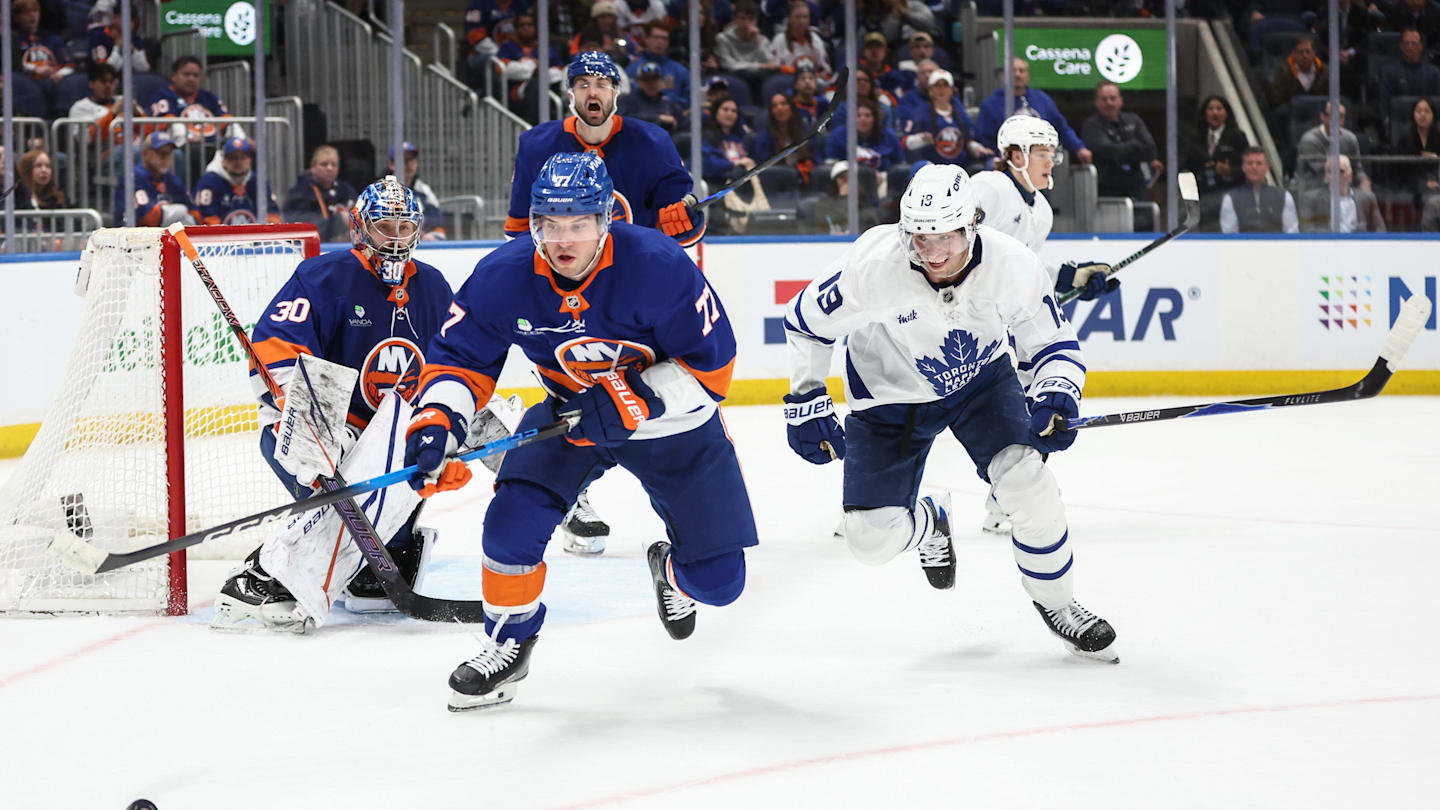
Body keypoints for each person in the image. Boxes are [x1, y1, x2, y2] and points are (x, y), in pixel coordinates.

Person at [405, 153, 758, 709]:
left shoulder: (659, 265)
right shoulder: (504, 276)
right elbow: (459, 360)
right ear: (534, 224)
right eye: (549, 225)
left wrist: (637, 397)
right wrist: (437, 420)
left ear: (606, 219)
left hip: (676, 425)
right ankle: (508, 642)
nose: (563, 240)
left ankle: (668, 569)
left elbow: (713, 368)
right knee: (509, 523)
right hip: (572, 415)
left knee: (720, 584)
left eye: (578, 224)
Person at [781, 163, 1118, 663]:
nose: (934, 252)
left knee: (1029, 487)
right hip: (887, 396)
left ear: (972, 225)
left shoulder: (1012, 264)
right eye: (920, 238)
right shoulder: (874, 264)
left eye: (947, 237)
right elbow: (804, 319)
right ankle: (929, 522)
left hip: (980, 382)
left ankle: (1060, 605)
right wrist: (806, 399)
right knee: (869, 541)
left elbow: (1050, 341)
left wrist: (1056, 391)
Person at [213, 177, 521, 632]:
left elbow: (455, 362)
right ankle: (261, 576)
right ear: (360, 228)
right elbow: (277, 344)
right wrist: (310, 418)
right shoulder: (324, 277)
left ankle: (369, 571)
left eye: (405, 227)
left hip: (392, 439)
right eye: (384, 227)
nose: (396, 239)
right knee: (345, 487)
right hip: (327, 433)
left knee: (434, 461)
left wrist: (471, 431)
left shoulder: (432, 286)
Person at [505, 50, 706, 555]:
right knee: (570, 395)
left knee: (661, 400)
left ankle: (690, 509)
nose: (592, 92)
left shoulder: (651, 142)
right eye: (582, 84)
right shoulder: (537, 145)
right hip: (565, 292)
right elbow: (517, 232)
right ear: (569, 94)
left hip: (635, 297)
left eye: (602, 83)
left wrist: (687, 220)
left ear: (616, 93)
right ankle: (572, 496)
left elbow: (684, 219)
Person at [967, 115, 1117, 535]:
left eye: (1053, 152)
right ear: (1015, 155)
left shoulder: (1042, 211)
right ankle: (877, 500)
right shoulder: (988, 188)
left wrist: (1072, 278)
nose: (1051, 161)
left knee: (1031, 405)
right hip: (956, 325)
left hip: (1000, 332)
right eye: (1041, 153)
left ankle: (1004, 501)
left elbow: (1023, 272)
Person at [976, 59, 1092, 164]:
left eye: (1021, 71)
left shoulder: (1042, 99)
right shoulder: (990, 104)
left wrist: (1079, 148)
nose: (1017, 74)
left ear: (1028, 76)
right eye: (1012, 71)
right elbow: (985, 139)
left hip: (1039, 162)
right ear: (1004, 76)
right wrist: (994, 159)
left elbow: (1061, 128)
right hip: (1005, 163)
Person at [1081, 81, 1162, 204]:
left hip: (1137, 188)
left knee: (1145, 221)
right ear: (1097, 102)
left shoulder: (1133, 119)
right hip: (1107, 190)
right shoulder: (1091, 125)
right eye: (1104, 99)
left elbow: (1150, 150)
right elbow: (1108, 151)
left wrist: (1124, 150)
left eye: (1113, 98)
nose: (1109, 103)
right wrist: (1134, 145)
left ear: (1120, 100)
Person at [900, 69, 992, 170]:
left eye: (945, 85)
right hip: (931, 169)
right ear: (930, 90)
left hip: (961, 169)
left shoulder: (961, 113)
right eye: (937, 85)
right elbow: (905, 143)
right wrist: (922, 139)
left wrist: (977, 148)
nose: (941, 89)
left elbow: (968, 140)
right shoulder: (920, 112)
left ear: (952, 90)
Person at [1183, 95, 1250, 229]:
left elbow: (1247, 168)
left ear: (1226, 113)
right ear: (1204, 113)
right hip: (1204, 196)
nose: (1215, 112)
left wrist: (1229, 171)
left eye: (1219, 109)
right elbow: (1187, 166)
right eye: (1211, 109)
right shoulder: (1196, 138)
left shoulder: (1238, 136)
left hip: (1230, 196)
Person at [148, 56, 241, 151]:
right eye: (186, 74)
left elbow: (225, 120)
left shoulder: (208, 97)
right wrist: (191, 138)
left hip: (212, 144)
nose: (191, 79)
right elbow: (166, 123)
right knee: (176, 125)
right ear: (174, 76)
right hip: (176, 147)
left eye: (196, 75)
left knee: (233, 125)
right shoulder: (164, 95)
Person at [113, 131, 199, 227]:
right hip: (132, 237)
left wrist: (167, 213)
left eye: (169, 153)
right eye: (161, 153)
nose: (166, 158)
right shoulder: (132, 179)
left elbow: (196, 216)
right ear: (145, 154)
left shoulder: (172, 179)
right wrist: (182, 210)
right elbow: (149, 218)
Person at [193, 137, 281, 225]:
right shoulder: (210, 181)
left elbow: (272, 213)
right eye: (233, 158)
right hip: (218, 237)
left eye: (243, 157)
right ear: (224, 160)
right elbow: (206, 217)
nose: (238, 162)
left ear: (250, 160)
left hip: (255, 236)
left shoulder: (258, 181)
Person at [283, 145, 359, 241]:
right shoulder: (300, 192)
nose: (329, 168)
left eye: (334, 165)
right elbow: (298, 225)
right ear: (313, 167)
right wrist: (338, 220)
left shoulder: (346, 189)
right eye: (324, 164)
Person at [1294, 101, 1369, 195]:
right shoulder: (1309, 140)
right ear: (1322, 117)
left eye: (1341, 116)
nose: (1338, 120)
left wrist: (1364, 181)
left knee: (1367, 195)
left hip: (1342, 185)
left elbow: (1357, 168)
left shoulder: (1350, 138)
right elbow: (1325, 171)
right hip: (1312, 188)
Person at [1220, 146, 1299, 233]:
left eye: (1259, 163)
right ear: (1243, 167)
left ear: (1267, 167)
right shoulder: (1230, 198)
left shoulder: (1284, 196)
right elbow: (1229, 236)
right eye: (1249, 163)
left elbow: (1292, 233)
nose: (1254, 167)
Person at [1299, 155, 1386, 232]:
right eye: (1330, 171)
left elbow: (1380, 230)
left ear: (1350, 176)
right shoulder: (1311, 199)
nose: (1335, 175)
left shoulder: (1367, 198)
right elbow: (1306, 230)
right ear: (1326, 176)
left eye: (1340, 171)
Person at [823, 97, 904, 175]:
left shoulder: (889, 136)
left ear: (875, 119)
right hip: (847, 181)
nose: (863, 119)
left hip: (883, 180)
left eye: (867, 115)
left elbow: (899, 166)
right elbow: (832, 168)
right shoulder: (836, 137)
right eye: (858, 115)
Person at [385, 142, 447, 240]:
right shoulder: (381, 191)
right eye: (403, 161)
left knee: (438, 235)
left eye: (411, 160)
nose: (409, 164)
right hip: (391, 243)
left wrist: (415, 224)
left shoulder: (423, 189)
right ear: (391, 164)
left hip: (420, 241)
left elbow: (437, 217)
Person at [716, 0, 780, 91]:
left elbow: (771, 64)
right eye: (742, 18)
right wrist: (759, 66)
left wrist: (757, 44)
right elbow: (729, 65)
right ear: (734, 19)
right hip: (735, 79)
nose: (746, 23)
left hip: (760, 80)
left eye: (750, 19)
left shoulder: (762, 40)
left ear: (756, 21)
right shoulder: (723, 38)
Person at [1376, 31, 1440, 119]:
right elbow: (1384, 104)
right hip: (1398, 123)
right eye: (1406, 43)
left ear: (1420, 47)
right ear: (1401, 46)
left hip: (1427, 122)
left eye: (1414, 43)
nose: (1410, 47)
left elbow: (1437, 104)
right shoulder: (1388, 72)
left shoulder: (1434, 73)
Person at [754, 92, 814, 183]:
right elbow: (764, 167)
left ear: (791, 108)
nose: (779, 108)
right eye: (774, 106)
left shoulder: (804, 133)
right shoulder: (764, 137)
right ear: (771, 112)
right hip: (777, 181)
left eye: (783, 104)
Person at [627, 22, 690, 104]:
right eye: (656, 37)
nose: (660, 41)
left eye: (664, 39)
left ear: (668, 42)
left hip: (671, 114)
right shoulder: (633, 69)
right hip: (639, 114)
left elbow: (689, 100)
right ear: (646, 39)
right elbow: (628, 98)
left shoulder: (679, 70)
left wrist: (668, 100)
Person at [13, 0, 73, 86]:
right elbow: (14, 66)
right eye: (27, 12)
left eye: (35, 11)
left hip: (54, 83)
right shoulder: (13, 40)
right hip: (26, 84)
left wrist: (60, 74)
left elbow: (69, 65)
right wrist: (35, 70)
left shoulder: (53, 39)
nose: (32, 15)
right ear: (17, 18)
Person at [812, 159, 881, 233]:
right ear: (834, 182)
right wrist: (843, 198)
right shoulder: (823, 203)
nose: (847, 182)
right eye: (842, 178)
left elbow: (872, 224)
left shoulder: (864, 202)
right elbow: (838, 221)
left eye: (850, 178)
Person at [701, 96, 755, 188]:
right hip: (717, 186)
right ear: (716, 112)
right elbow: (708, 165)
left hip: (741, 186)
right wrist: (736, 163)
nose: (730, 114)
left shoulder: (740, 139)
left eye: (734, 111)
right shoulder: (706, 136)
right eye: (725, 109)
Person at [1397, 96, 1440, 206]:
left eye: (1427, 111)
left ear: (1433, 115)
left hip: (1436, 181)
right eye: (1419, 111)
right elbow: (1400, 171)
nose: (1422, 114)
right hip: (1412, 184)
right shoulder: (1404, 140)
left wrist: (1436, 159)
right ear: (1413, 115)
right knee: (1431, 197)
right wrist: (1425, 183)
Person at [1266, 36, 1328, 111]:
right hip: (1292, 112)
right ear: (1294, 53)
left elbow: (1329, 97)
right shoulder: (1284, 70)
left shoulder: (1325, 71)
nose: (1304, 55)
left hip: (1319, 111)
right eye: (1300, 52)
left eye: (1308, 51)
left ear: (1314, 53)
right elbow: (1277, 99)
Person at [771, 0, 831, 76]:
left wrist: (819, 75)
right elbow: (774, 68)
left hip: (812, 82)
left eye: (805, 17)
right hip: (787, 82)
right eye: (797, 17)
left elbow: (826, 69)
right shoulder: (779, 40)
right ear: (789, 19)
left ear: (809, 19)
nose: (801, 21)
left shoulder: (815, 39)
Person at [620, 62, 682, 132]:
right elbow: (624, 120)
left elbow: (682, 125)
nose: (651, 83)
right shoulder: (627, 101)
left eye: (654, 79)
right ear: (638, 82)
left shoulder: (669, 104)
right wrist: (658, 118)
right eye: (646, 79)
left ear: (661, 81)